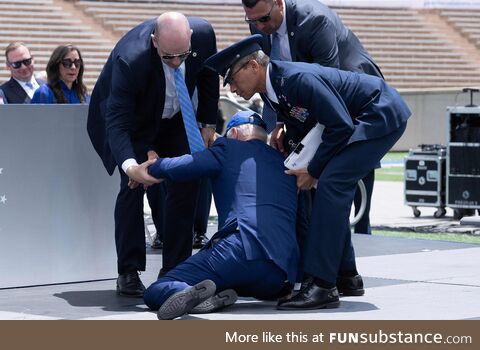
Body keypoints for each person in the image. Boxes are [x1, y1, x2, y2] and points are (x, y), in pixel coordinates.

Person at [204, 35, 410, 310]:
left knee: (332, 183)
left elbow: (340, 125)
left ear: (253, 66)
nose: (231, 88)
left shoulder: (296, 79)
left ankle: (323, 286)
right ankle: (346, 275)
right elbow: (306, 120)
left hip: (378, 114)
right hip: (357, 118)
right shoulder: (273, 88)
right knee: (325, 187)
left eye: (231, 78)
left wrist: (313, 169)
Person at [86, 13, 219, 297]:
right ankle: (128, 270)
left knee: (187, 177)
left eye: (182, 55)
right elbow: (118, 121)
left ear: (191, 41)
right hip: (131, 120)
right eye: (168, 56)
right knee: (133, 186)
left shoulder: (205, 36)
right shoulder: (130, 60)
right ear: (154, 41)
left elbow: (208, 74)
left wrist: (208, 122)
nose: (175, 63)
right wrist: (131, 165)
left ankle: (176, 268)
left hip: (174, 117)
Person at [133, 111, 299, 319]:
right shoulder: (284, 162)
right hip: (278, 273)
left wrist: (148, 169)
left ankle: (195, 295)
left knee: (157, 291)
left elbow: (186, 164)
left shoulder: (228, 147)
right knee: (236, 280)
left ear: (236, 133)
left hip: (238, 249)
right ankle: (216, 294)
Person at [242, 0, 383, 236]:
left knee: (353, 154)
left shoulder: (315, 20)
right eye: (252, 21)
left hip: (351, 88)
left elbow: (328, 82)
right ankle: (321, 230)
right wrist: (279, 121)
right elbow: (273, 76)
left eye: (264, 19)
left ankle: (361, 226)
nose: (259, 26)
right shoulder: (260, 23)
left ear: (278, 3)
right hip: (304, 93)